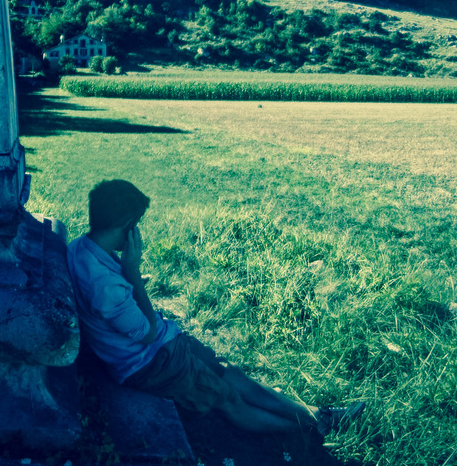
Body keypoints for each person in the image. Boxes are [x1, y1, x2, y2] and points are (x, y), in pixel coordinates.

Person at [67, 179, 364, 436]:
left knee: (230, 373)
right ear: (128, 227)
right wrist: (133, 271)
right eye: (138, 224)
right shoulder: (105, 286)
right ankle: (311, 429)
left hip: (161, 346)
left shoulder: (81, 247)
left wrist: (130, 280)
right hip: (148, 363)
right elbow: (146, 332)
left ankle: (316, 413)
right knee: (229, 399)